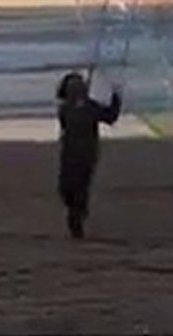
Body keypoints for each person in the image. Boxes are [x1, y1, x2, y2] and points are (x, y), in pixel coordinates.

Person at [56, 70, 122, 239]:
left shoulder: (89, 107)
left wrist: (116, 97)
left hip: (86, 153)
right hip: (70, 153)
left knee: (80, 187)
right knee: (66, 188)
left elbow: (110, 116)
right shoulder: (66, 109)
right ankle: (78, 212)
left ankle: (77, 218)